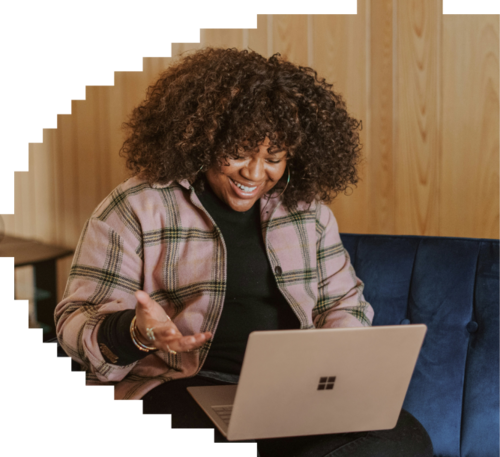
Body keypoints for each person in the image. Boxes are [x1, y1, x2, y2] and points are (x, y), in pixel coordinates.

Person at [55, 47, 433, 456]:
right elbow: (75, 324)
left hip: (290, 391)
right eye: (237, 153)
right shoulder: (137, 207)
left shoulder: (310, 214)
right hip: (176, 385)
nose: (254, 174)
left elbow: (345, 304)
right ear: (204, 139)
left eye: (273, 158)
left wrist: (331, 364)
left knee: (402, 440)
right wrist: (137, 331)